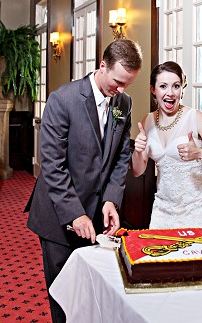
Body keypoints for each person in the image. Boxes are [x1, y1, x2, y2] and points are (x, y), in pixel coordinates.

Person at [24, 39, 143, 323]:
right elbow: (52, 166)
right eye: (117, 81)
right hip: (59, 216)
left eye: (128, 84)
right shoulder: (62, 99)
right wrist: (75, 214)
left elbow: (120, 157)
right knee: (64, 299)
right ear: (102, 66)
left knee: (94, 295)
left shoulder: (123, 103)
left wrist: (112, 199)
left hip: (97, 217)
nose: (122, 90)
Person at [131, 61, 202, 228]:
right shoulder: (148, 121)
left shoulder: (194, 117)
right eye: (163, 86)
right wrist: (138, 151)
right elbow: (138, 171)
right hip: (163, 209)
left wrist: (200, 153)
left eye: (176, 86)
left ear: (182, 89)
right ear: (153, 90)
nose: (170, 93)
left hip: (197, 208)